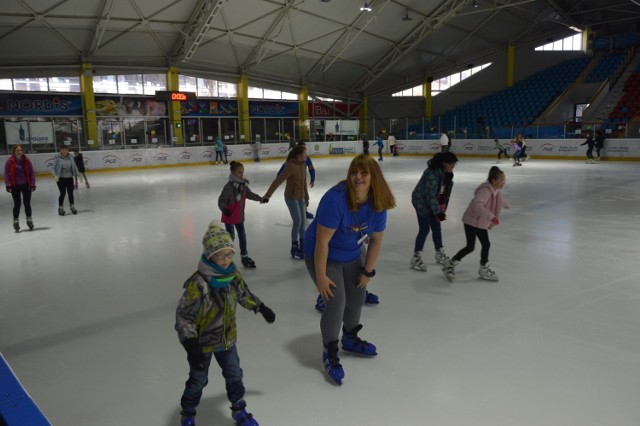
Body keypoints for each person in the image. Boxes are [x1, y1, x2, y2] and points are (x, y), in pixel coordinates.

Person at [303, 154, 396, 384]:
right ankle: (330, 351)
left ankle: (350, 338)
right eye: (354, 172)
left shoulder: (378, 203)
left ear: (374, 177)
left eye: (364, 173)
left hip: (352, 253)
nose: (357, 177)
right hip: (323, 254)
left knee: (356, 297)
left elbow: (375, 240)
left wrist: (367, 272)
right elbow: (321, 243)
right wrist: (321, 276)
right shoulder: (335, 200)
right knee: (336, 303)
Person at [175, 221, 275, 426]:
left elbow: (243, 294)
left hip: (227, 340)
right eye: (221, 255)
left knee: (235, 374)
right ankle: (188, 413)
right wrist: (190, 343)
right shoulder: (198, 282)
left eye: (230, 254)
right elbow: (184, 316)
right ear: (210, 255)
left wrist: (260, 307)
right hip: (201, 343)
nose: (226, 259)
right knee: (198, 380)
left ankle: (238, 408)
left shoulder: (232, 275)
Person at [442, 166, 510, 282]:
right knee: (471, 246)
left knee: (485, 244)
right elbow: (477, 206)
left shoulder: (495, 191)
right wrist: (491, 217)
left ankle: (482, 268)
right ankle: (451, 264)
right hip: (471, 221)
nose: (504, 183)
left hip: (479, 222)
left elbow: (499, 198)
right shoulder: (485, 191)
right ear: (494, 180)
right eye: (502, 180)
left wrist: (506, 204)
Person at [410, 152, 458, 272]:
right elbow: (430, 194)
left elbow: (444, 193)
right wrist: (438, 211)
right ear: (444, 163)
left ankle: (439, 253)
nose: (453, 167)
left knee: (436, 227)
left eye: (454, 164)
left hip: (433, 203)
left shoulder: (446, 173)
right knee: (424, 229)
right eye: (451, 164)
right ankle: (416, 258)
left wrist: (440, 210)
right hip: (421, 202)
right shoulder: (432, 173)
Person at [262, 145, 309, 259]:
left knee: (303, 222)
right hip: (291, 197)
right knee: (297, 221)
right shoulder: (290, 166)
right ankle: (294, 247)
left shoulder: (303, 166)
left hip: (301, 197)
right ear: (298, 156)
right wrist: (268, 195)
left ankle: (303, 247)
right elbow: (278, 180)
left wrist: (306, 197)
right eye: (304, 153)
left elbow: (304, 184)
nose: (306, 155)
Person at [219, 161, 264, 269]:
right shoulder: (228, 187)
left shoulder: (243, 185)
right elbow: (221, 200)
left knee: (242, 237)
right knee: (230, 238)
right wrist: (224, 209)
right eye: (239, 173)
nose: (242, 175)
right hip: (229, 216)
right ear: (232, 172)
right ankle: (228, 258)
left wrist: (260, 199)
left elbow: (249, 194)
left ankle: (244, 256)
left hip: (239, 216)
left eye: (242, 172)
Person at [278, 141, 316, 219]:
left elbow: (311, 169)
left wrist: (313, 179)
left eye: (305, 148)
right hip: (294, 183)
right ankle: (300, 214)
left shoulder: (307, 158)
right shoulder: (292, 159)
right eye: (303, 148)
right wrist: (279, 176)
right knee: (297, 198)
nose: (305, 150)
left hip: (303, 182)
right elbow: (284, 166)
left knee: (305, 197)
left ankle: (304, 212)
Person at [4, 144, 36, 232]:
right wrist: (7, 184)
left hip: (26, 185)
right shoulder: (9, 161)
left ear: (22, 151)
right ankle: (16, 221)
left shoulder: (26, 161)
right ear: (14, 151)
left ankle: (29, 219)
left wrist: (32, 184)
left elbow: (31, 173)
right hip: (15, 186)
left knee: (27, 203)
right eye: (17, 150)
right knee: (17, 204)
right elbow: (6, 174)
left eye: (20, 150)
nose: (19, 152)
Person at [52, 145, 79, 215]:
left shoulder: (71, 157)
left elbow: (75, 166)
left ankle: (72, 206)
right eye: (62, 149)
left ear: (68, 150)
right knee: (63, 193)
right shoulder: (57, 158)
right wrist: (54, 176)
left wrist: (79, 174)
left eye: (65, 149)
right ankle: (60, 208)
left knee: (70, 193)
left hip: (70, 178)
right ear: (60, 150)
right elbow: (53, 168)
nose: (64, 151)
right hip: (60, 179)